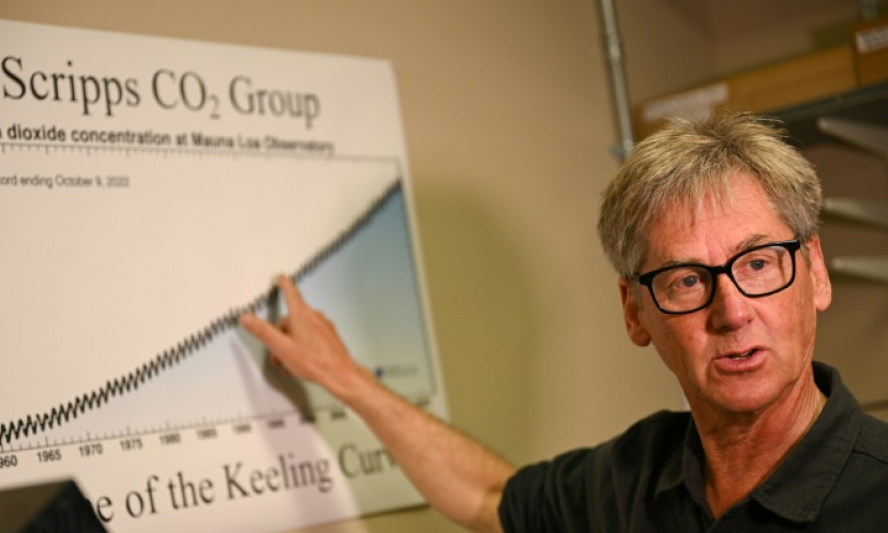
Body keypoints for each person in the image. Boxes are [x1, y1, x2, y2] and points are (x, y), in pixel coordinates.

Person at [239, 111, 888, 532]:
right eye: (688, 279)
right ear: (635, 312)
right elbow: (488, 497)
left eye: (759, 263)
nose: (733, 310)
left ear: (815, 271)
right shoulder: (637, 475)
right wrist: (345, 378)